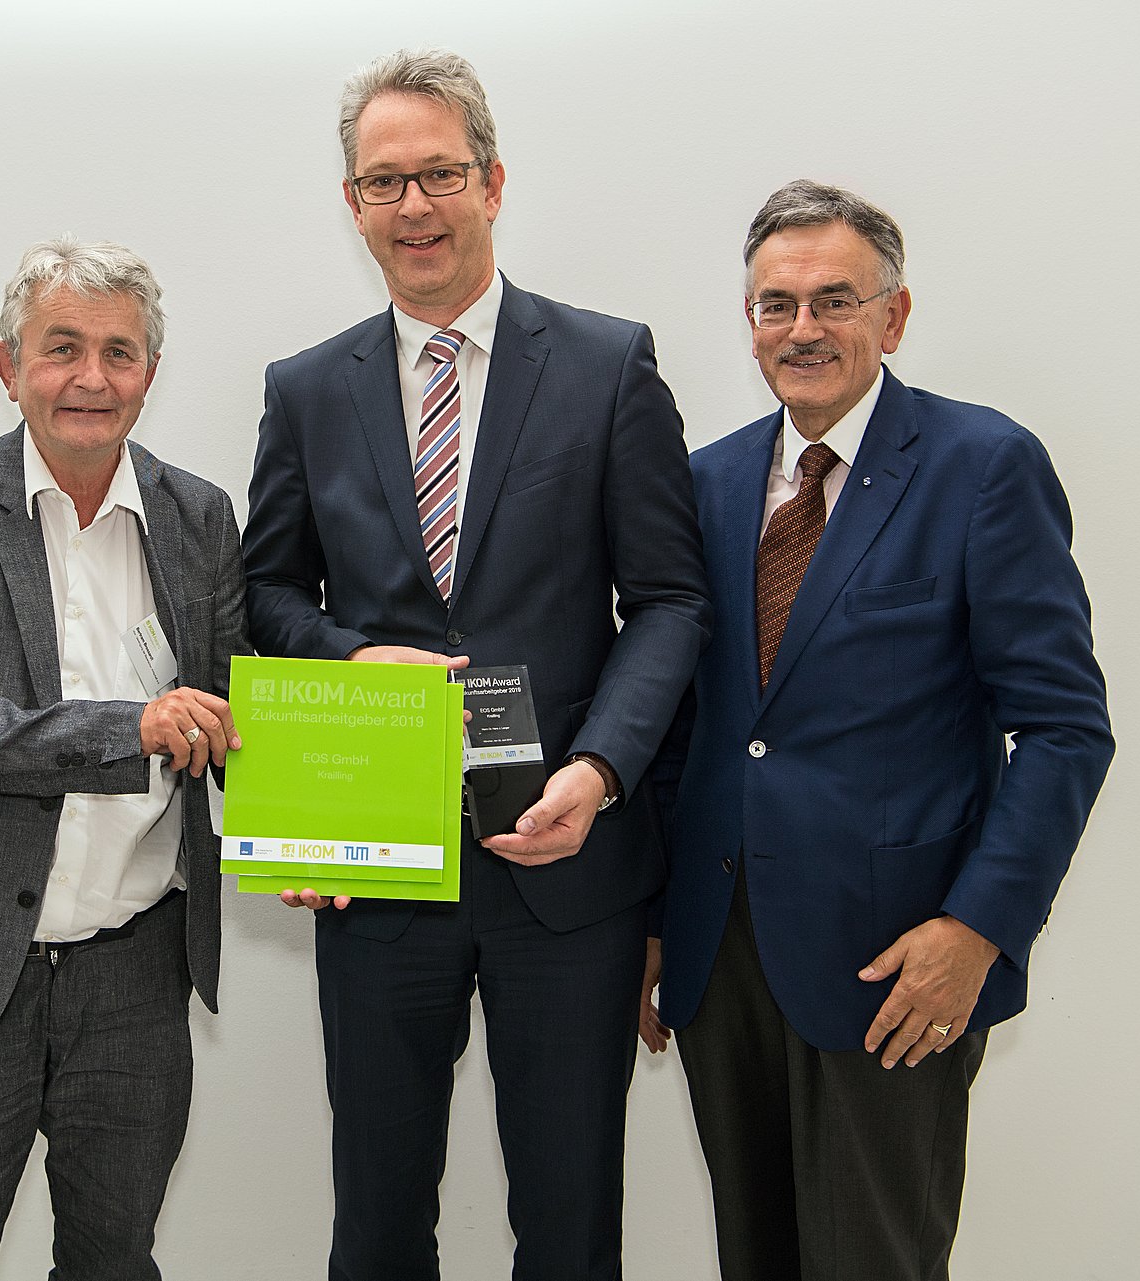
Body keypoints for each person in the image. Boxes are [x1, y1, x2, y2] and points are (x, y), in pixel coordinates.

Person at [243, 49, 709, 1280]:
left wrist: (603, 771)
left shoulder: (609, 366)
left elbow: (667, 602)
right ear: (353, 204)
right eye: (384, 182)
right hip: (378, 866)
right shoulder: (305, 390)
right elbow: (268, 594)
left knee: (568, 1222)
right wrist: (355, 659)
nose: (415, 207)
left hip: (568, 872)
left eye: (439, 173)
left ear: (492, 182)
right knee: (378, 1219)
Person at [643, 179, 1114, 1280]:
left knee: (877, 1262)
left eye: (835, 299)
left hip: (898, 965)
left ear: (893, 317)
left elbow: (1061, 729)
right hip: (724, 956)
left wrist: (978, 930)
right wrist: (655, 920)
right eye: (776, 304)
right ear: (750, 320)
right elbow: (687, 726)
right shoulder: (703, 483)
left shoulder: (983, 467)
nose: (802, 328)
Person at [0, 236, 246, 1281]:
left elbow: (237, 712)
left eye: (119, 353)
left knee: (117, 1261)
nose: (90, 379)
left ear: (151, 376)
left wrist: (332, 831)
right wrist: (132, 728)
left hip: (133, 972)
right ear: (7, 365)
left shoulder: (200, 518)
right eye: (60, 347)